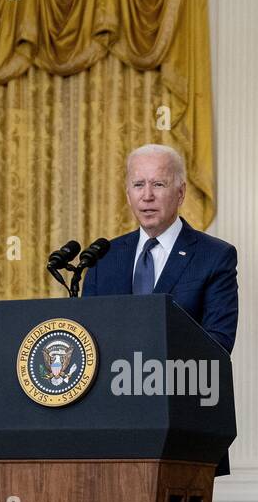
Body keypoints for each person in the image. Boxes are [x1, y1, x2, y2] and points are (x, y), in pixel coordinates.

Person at [82, 143, 239, 475]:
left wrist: (143, 372)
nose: (147, 196)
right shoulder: (102, 259)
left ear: (180, 193)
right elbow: (87, 341)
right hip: (109, 434)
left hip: (182, 431)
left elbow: (217, 344)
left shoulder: (215, 257)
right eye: (139, 185)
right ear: (128, 194)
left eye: (159, 184)